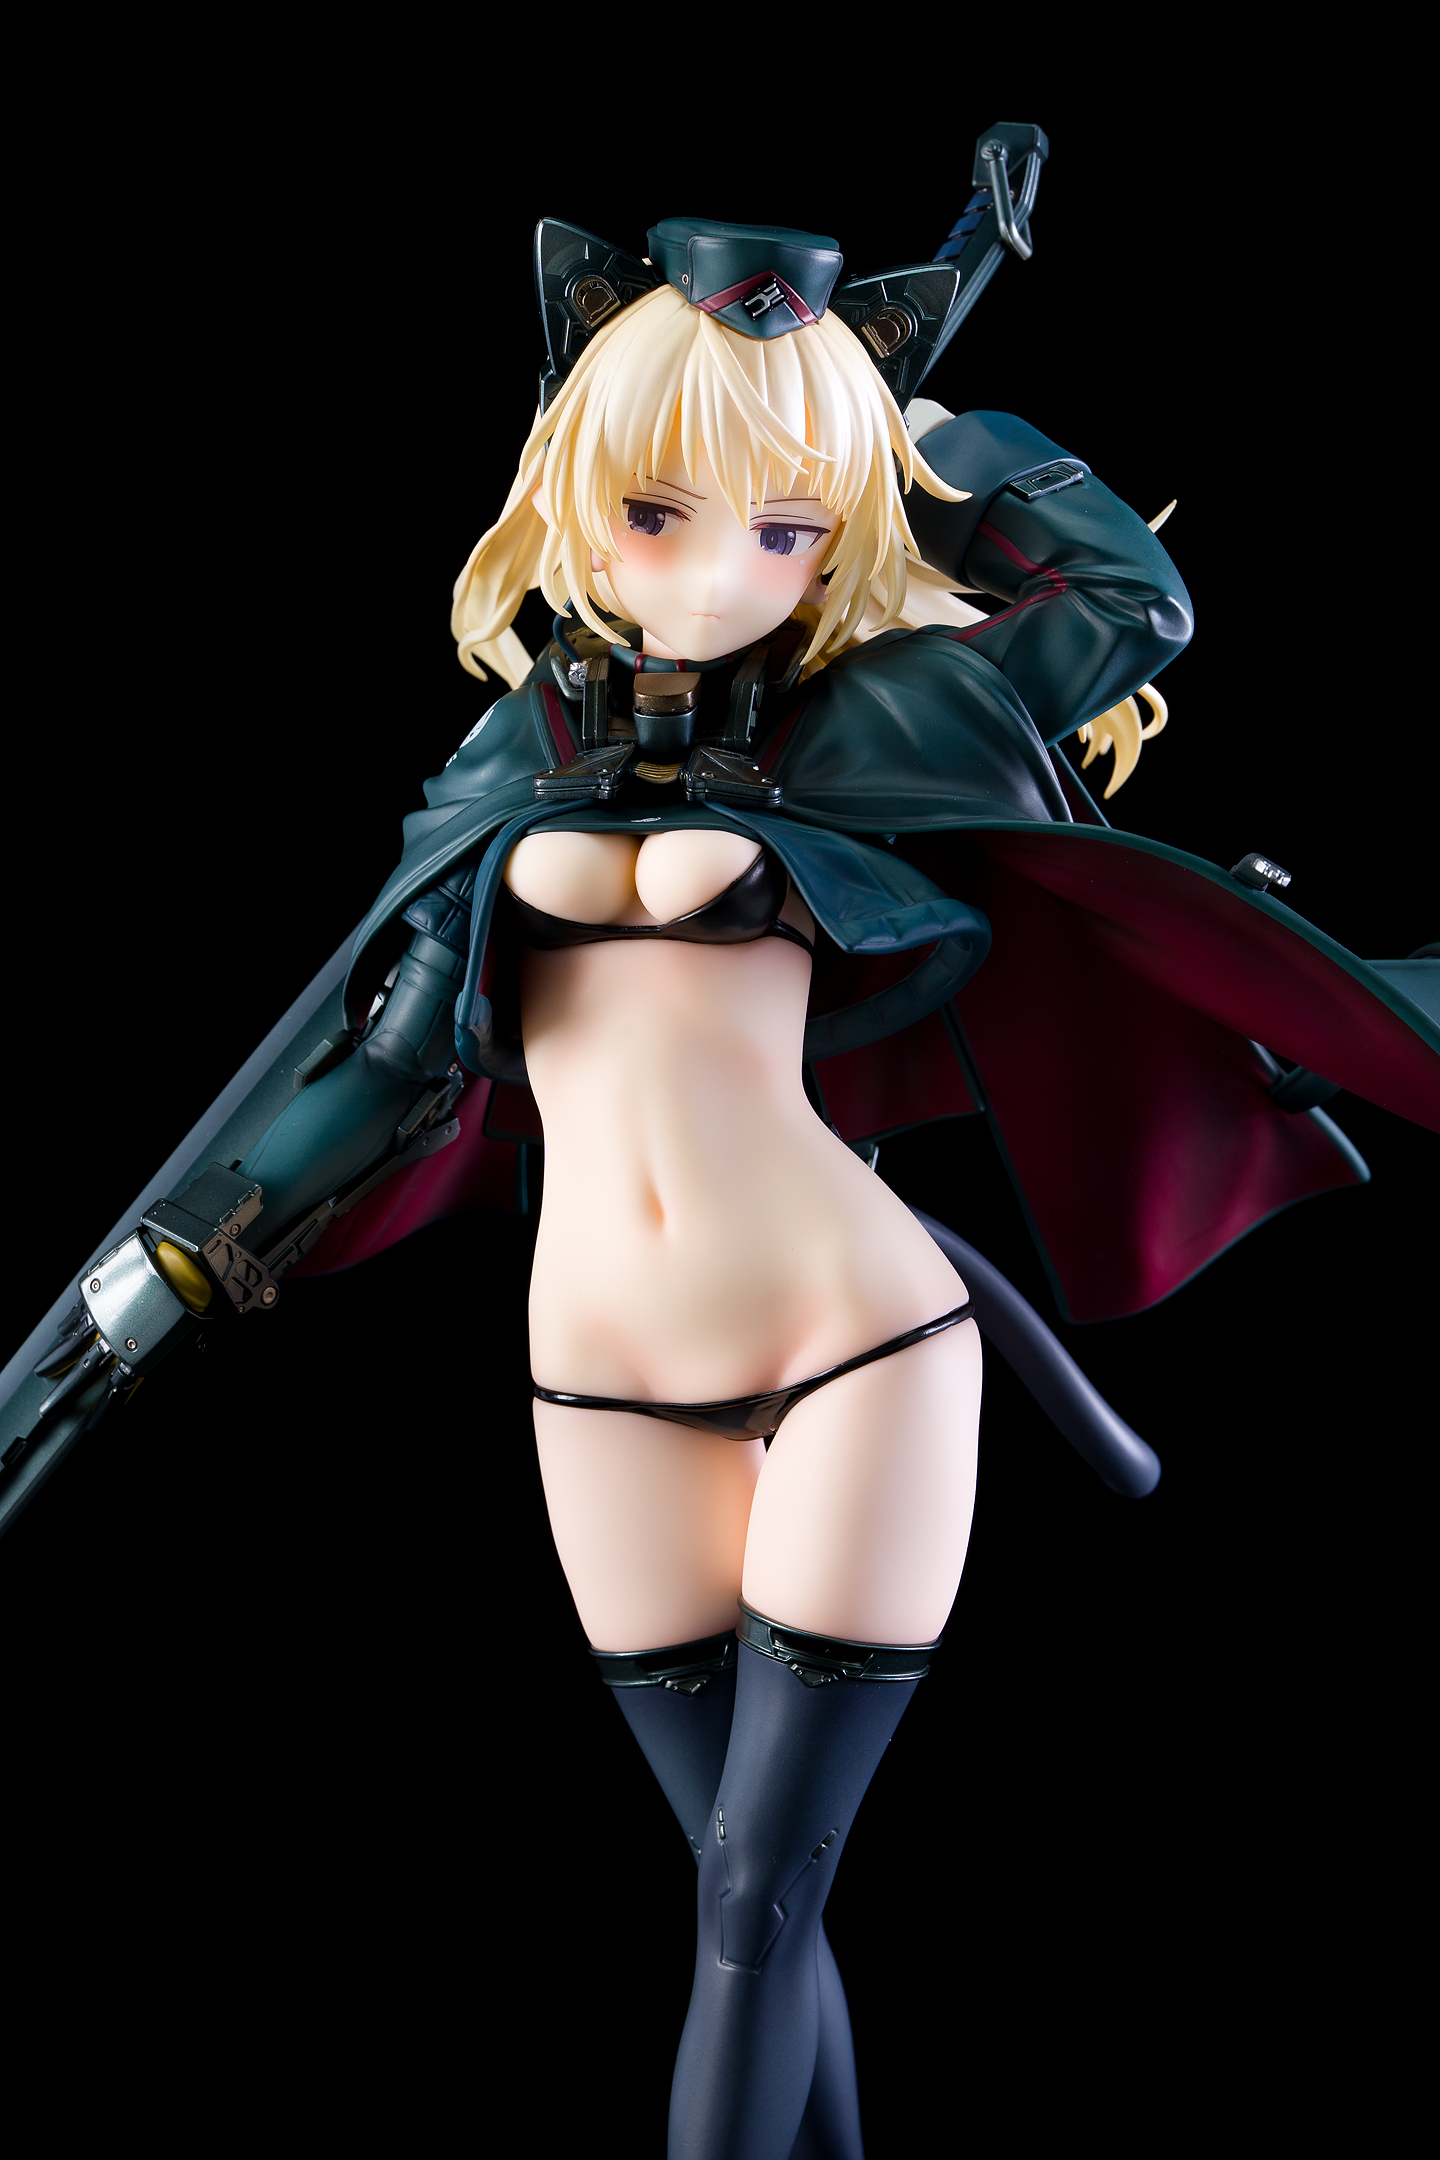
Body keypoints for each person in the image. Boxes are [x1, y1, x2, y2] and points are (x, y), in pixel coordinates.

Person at [9, 212, 1436, 2160]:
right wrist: (181, 1257)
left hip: (853, 1344)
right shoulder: (510, 757)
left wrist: (937, 440)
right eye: (662, 511)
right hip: (595, 1383)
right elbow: (396, 1062)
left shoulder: (874, 718)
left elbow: (1134, 602)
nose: (716, 572)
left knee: (756, 1906)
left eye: (785, 523)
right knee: (745, 1902)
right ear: (578, 492)